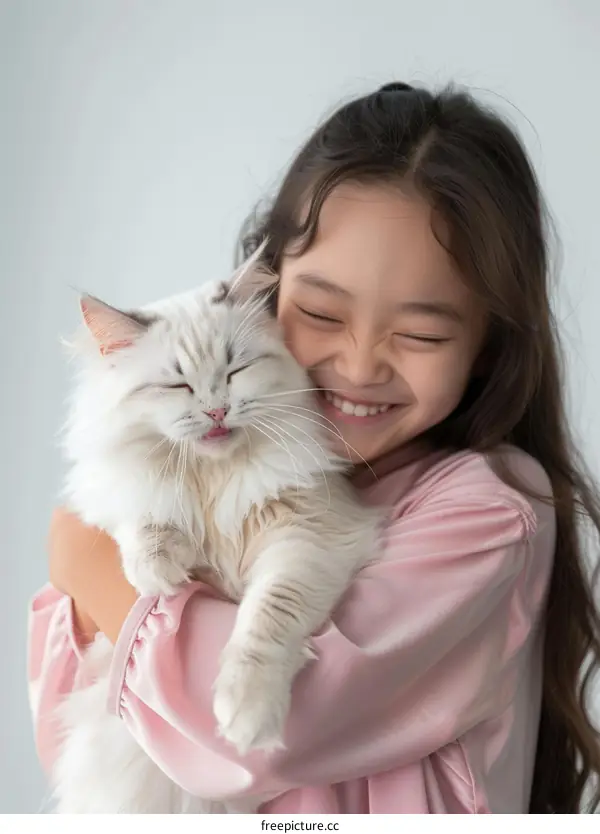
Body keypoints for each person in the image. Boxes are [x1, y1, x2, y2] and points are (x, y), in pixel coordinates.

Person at [29, 82, 600, 814]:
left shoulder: (491, 512)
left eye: (420, 333)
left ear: (489, 344)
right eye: (324, 314)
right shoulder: (247, 453)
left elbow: (263, 734)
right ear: (268, 297)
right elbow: (71, 736)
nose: (359, 366)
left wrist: (95, 573)